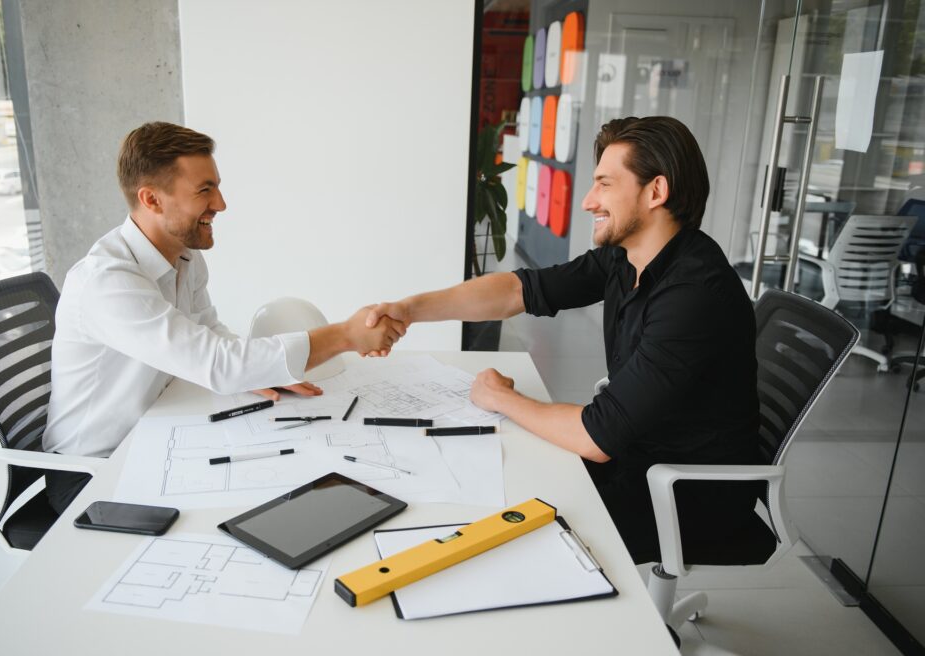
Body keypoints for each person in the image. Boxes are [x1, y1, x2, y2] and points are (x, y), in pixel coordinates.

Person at [365, 116, 761, 562]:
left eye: (604, 184)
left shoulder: (694, 294)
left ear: (655, 192)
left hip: (684, 494)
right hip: (637, 453)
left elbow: (596, 437)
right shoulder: (625, 259)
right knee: (494, 475)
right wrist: (410, 310)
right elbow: (520, 290)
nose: (589, 201)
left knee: (504, 537)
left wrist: (500, 397)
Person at [42, 121, 404, 513]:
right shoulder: (107, 283)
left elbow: (209, 331)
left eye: (216, 186)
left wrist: (265, 372)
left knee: (285, 473)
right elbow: (216, 363)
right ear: (152, 200)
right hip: (92, 472)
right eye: (204, 190)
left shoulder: (183, 256)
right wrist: (346, 335)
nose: (221, 203)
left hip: (153, 436)